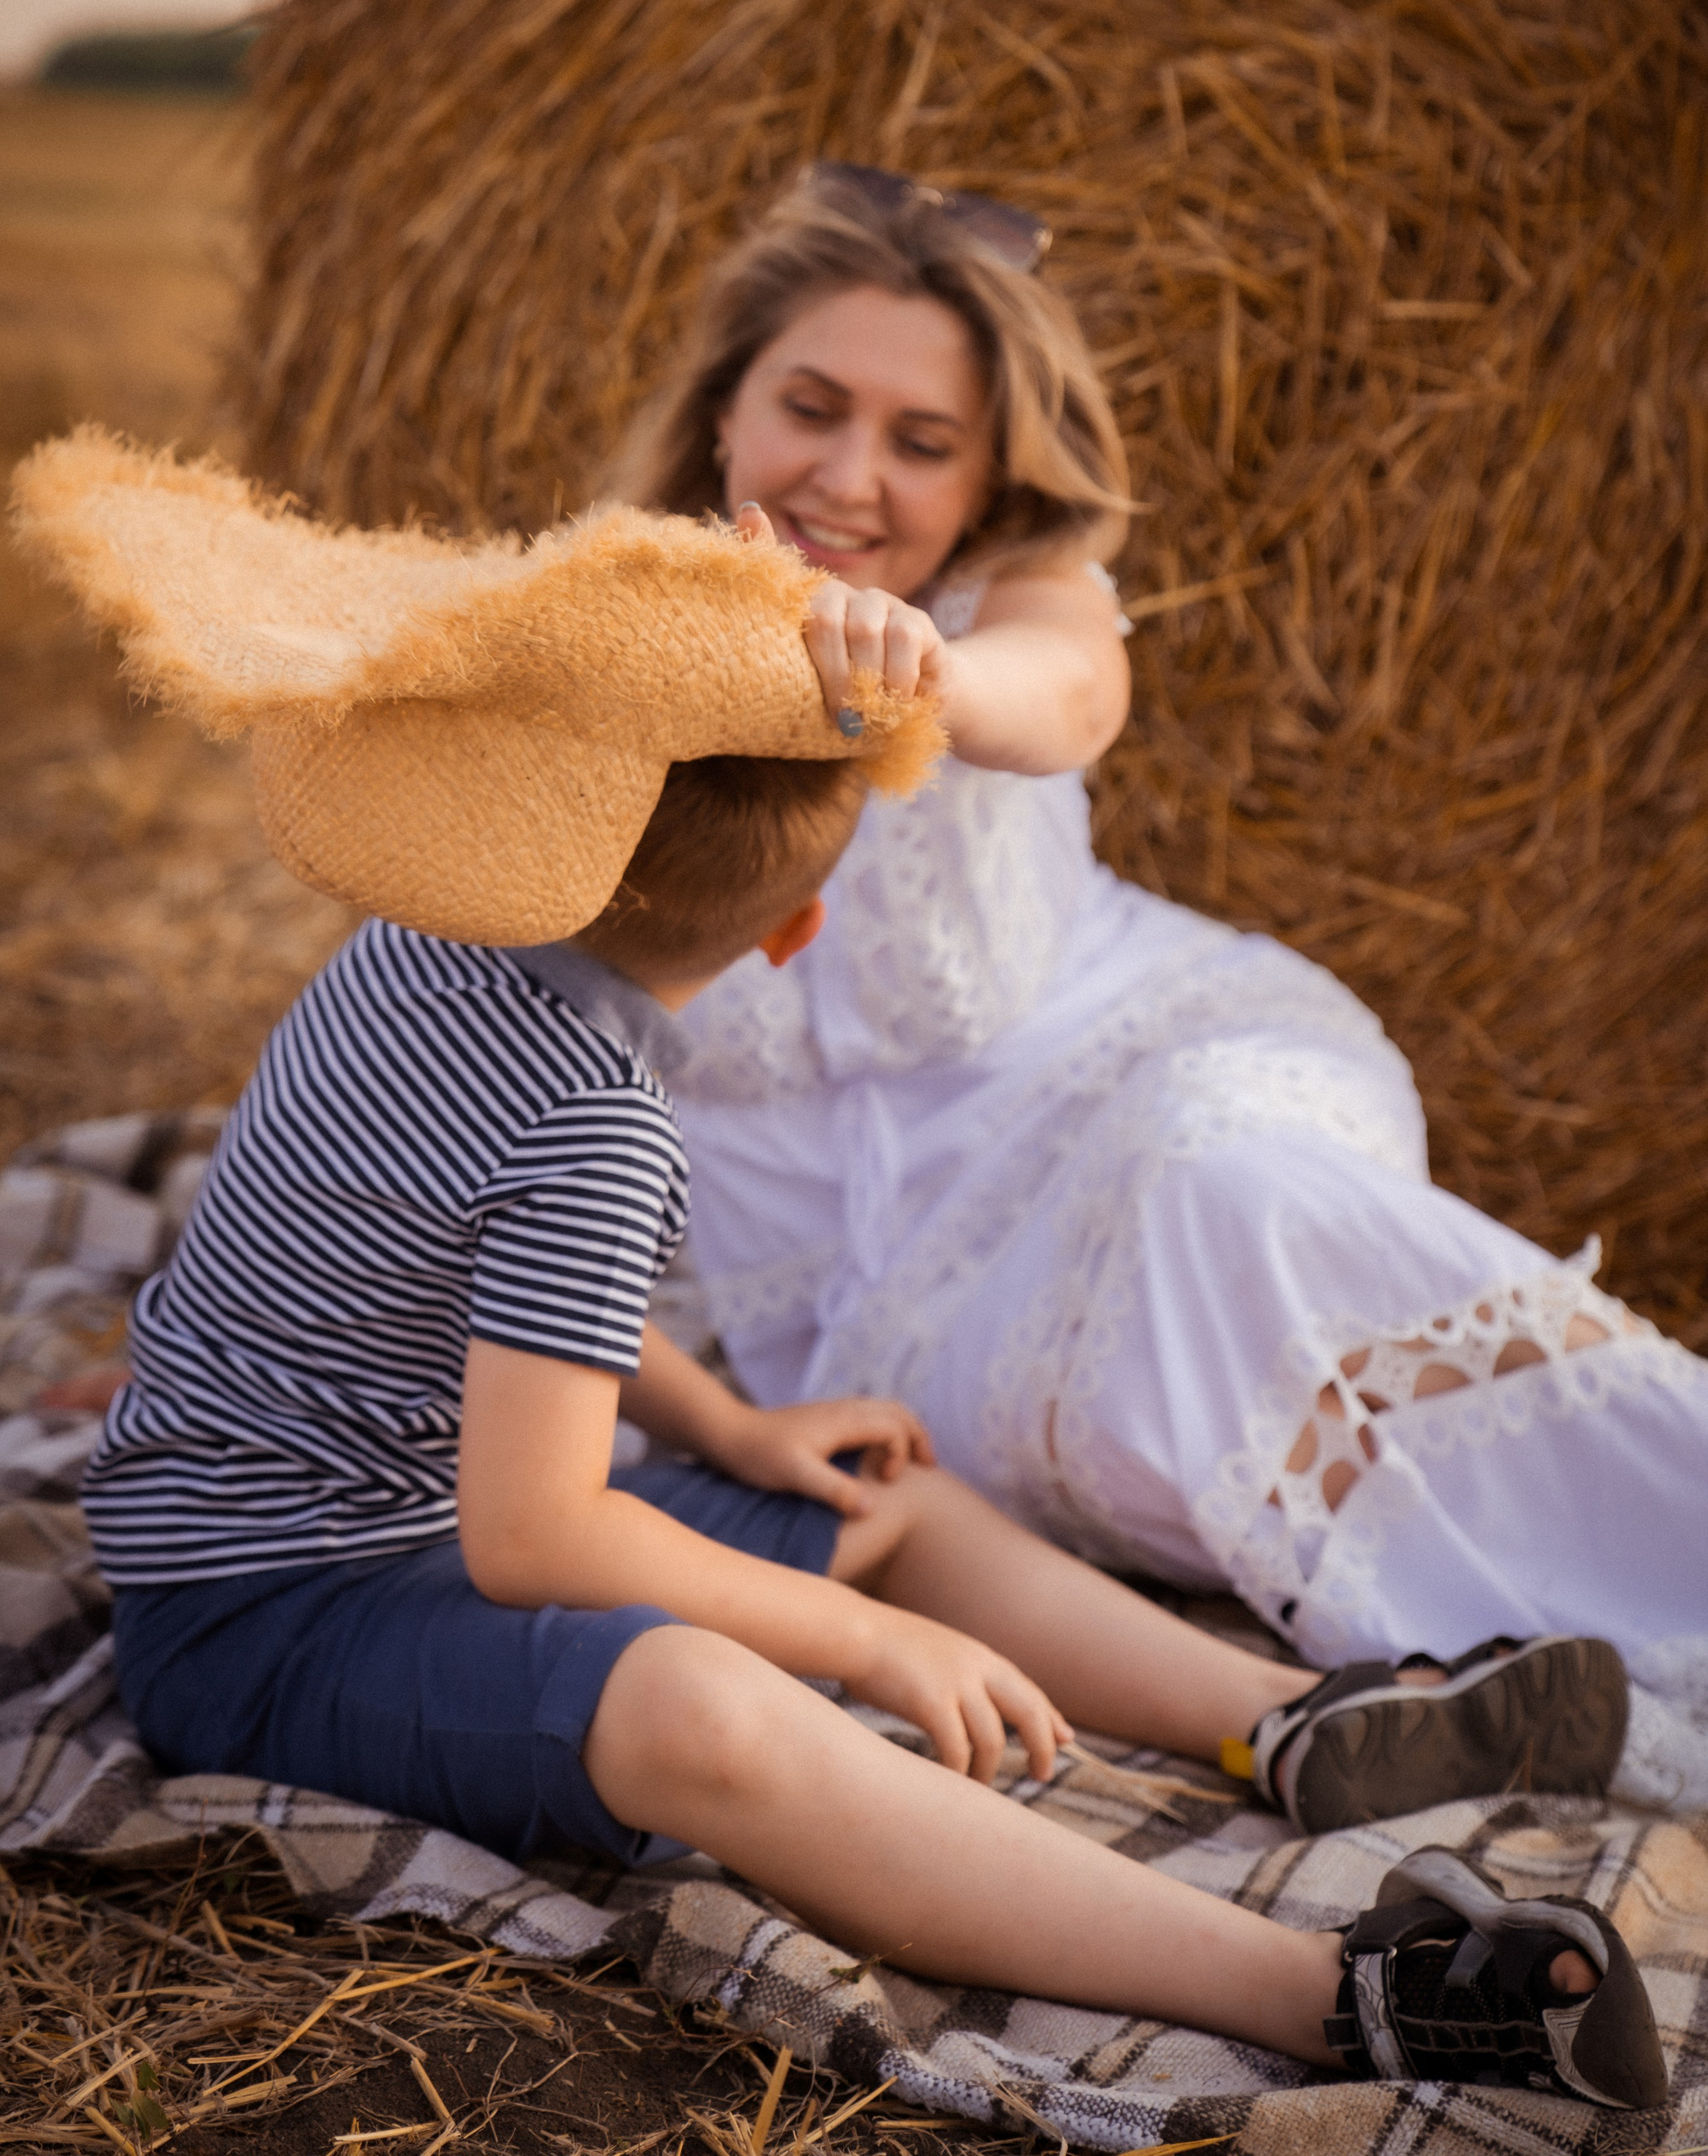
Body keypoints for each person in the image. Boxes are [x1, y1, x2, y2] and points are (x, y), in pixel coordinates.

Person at [75, 738, 1661, 2107]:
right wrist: (863, 1648)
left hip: (394, 1517)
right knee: (702, 1699)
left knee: (879, 1494)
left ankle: (1286, 1720)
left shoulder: (425, 928)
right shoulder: (596, 1124)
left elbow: (494, 1277)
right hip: (257, 1616)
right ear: (798, 931)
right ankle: (1325, 1992)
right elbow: (531, 1536)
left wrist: (734, 1434)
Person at [610, 165, 1708, 1809]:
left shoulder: (1012, 606)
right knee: (1151, 1370)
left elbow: (1059, 698)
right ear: (722, 416)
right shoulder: (600, 644)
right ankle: (1505, 1685)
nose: (850, 477)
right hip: (878, 1320)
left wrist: (912, 671)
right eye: (810, 410)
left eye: (922, 443)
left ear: (984, 486)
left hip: (1156, 1065)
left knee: (1224, 1192)